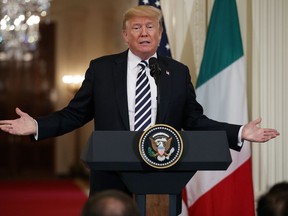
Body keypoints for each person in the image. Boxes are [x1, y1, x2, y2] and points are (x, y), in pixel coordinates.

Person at [0, 5, 280, 215]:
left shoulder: (177, 72)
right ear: (125, 35)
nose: (144, 32)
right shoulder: (102, 69)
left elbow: (195, 120)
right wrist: (37, 125)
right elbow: (75, 114)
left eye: (150, 27)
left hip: (162, 173)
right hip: (111, 174)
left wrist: (240, 131)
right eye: (136, 27)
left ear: (159, 34)